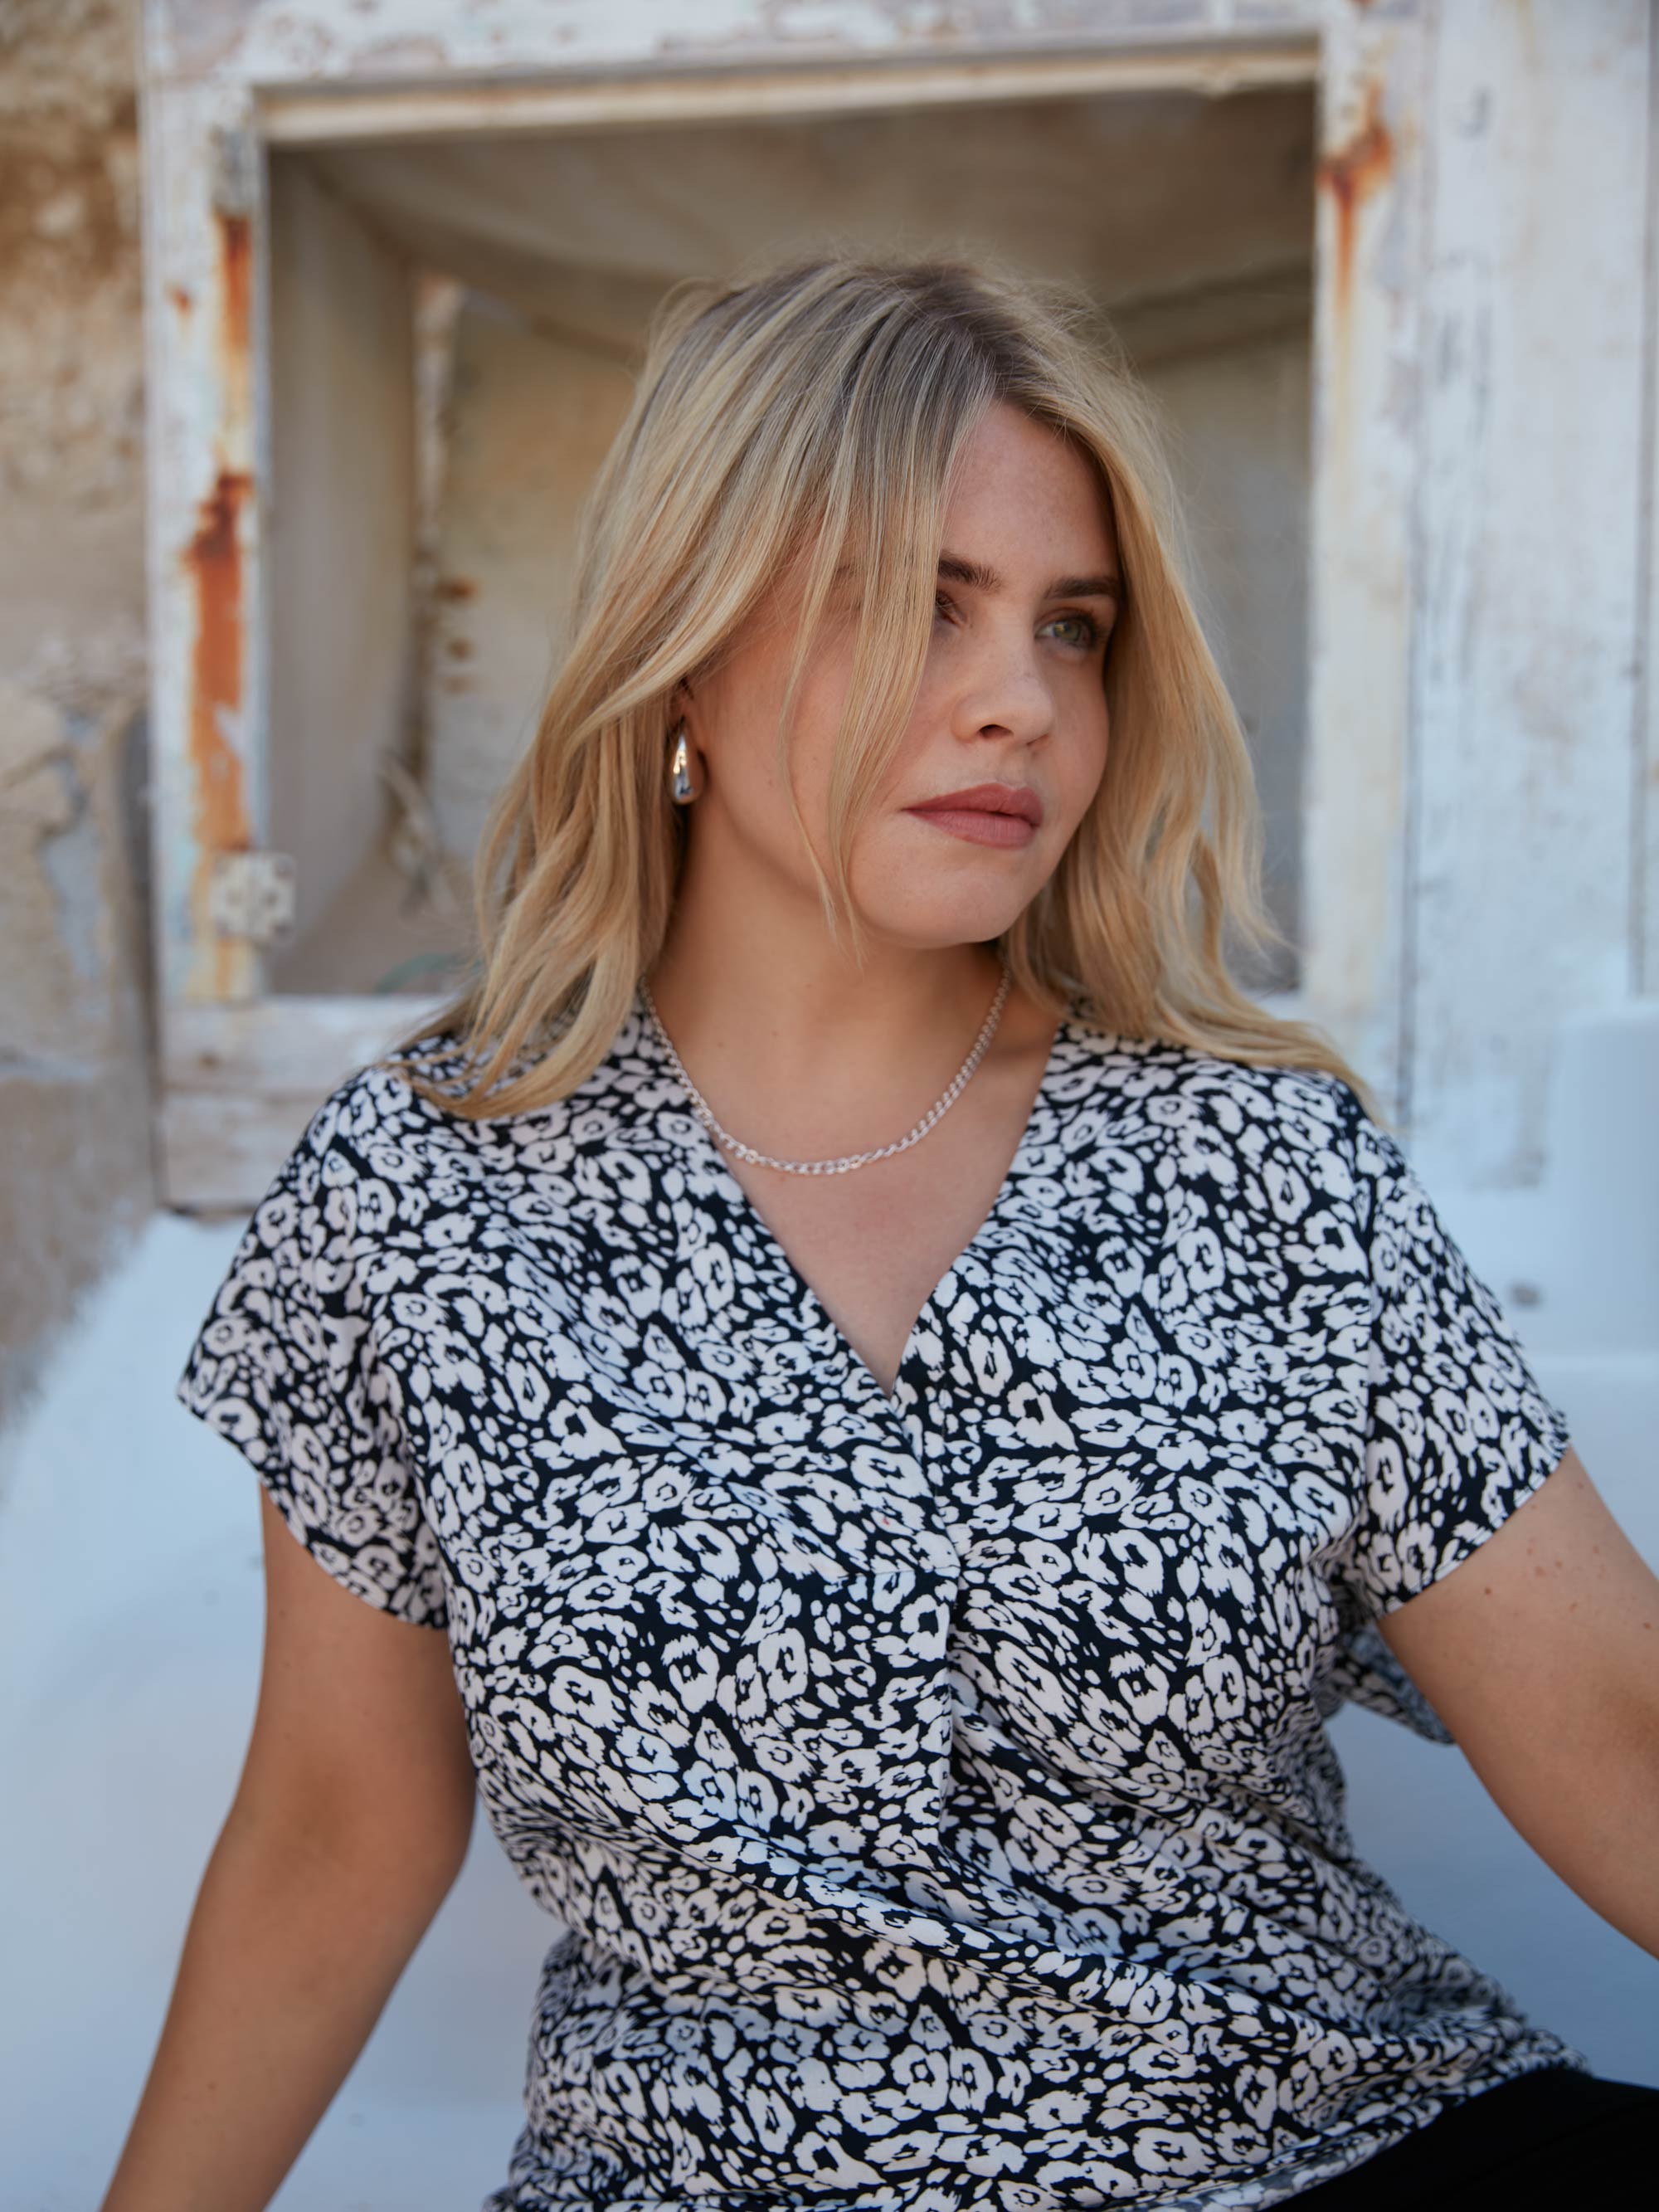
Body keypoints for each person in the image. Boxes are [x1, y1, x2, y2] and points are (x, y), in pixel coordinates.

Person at [104, 256, 1658, 2212]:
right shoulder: (421, 1193)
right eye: (922, 602)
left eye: (1070, 627)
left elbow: (1616, 1730)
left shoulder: (1259, 1162)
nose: (1022, 700)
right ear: (686, 650)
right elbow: (338, 1822)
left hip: (1327, 2145)